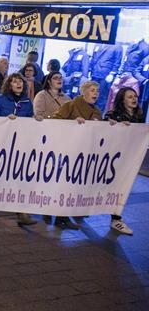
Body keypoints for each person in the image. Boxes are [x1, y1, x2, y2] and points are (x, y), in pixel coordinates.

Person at [49, 80, 104, 230]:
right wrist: (72, 123)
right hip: (69, 151)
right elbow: (55, 121)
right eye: (92, 90)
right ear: (83, 92)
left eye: (97, 91)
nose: (96, 93)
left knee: (77, 185)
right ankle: (61, 217)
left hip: (86, 153)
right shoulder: (71, 105)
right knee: (66, 185)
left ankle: (69, 212)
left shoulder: (97, 112)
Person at [0, 73, 39, 227]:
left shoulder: (27, 102)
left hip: (20, 145)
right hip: (0, 145)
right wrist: (5, 121)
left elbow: (29, 121)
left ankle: (21, 212)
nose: (18, 84)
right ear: (9, 85)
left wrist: (36, 120)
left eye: (20, 81)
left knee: (20, 178)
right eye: (14, 82)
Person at [104, 88, 144, 235]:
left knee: (122, 189)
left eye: (135, 96)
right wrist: (113, 125)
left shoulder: (139, 116)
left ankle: (116, 219)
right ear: (122, 99)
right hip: (113, 159)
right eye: (130, 97)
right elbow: (102, 129)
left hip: (129, 158)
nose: (134, 99)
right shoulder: (113, 115)